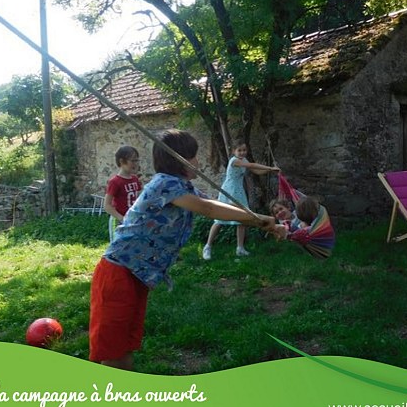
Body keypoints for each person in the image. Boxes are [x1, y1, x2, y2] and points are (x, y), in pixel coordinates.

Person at [89, 129, 285, 370]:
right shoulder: (165, 184)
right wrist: (261, 220)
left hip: (136, 275)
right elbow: (209, 210)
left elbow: (214, 203)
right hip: (117, 274)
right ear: (177, 159)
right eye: (193, 156)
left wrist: (266, 222)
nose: (198, 161)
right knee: (112, 353)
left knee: (125, 347)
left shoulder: (183, 187)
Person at [202, 142, 280, 260]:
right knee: (219, 219)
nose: (242, 152)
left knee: (242, 219)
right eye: (240, 150)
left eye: (244, 150)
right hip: (229, 190)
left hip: (239, 191)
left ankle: (240, 248)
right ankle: (207, 247)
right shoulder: (234, 161)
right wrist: (269, 167)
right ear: (234, 151)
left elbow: (256, 170)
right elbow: (252, 165)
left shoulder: (244, 160)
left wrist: (270, 171)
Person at [104, 146, 142, 242]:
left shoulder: (135, 179)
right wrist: (121, 218)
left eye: (137, 161)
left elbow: (139, 199)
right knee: (117, 247)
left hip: (132, 219)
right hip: (118, 220)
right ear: (122, 161)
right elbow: (107, 206)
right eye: (133, 161)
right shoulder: (115, 182)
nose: (136, 164)